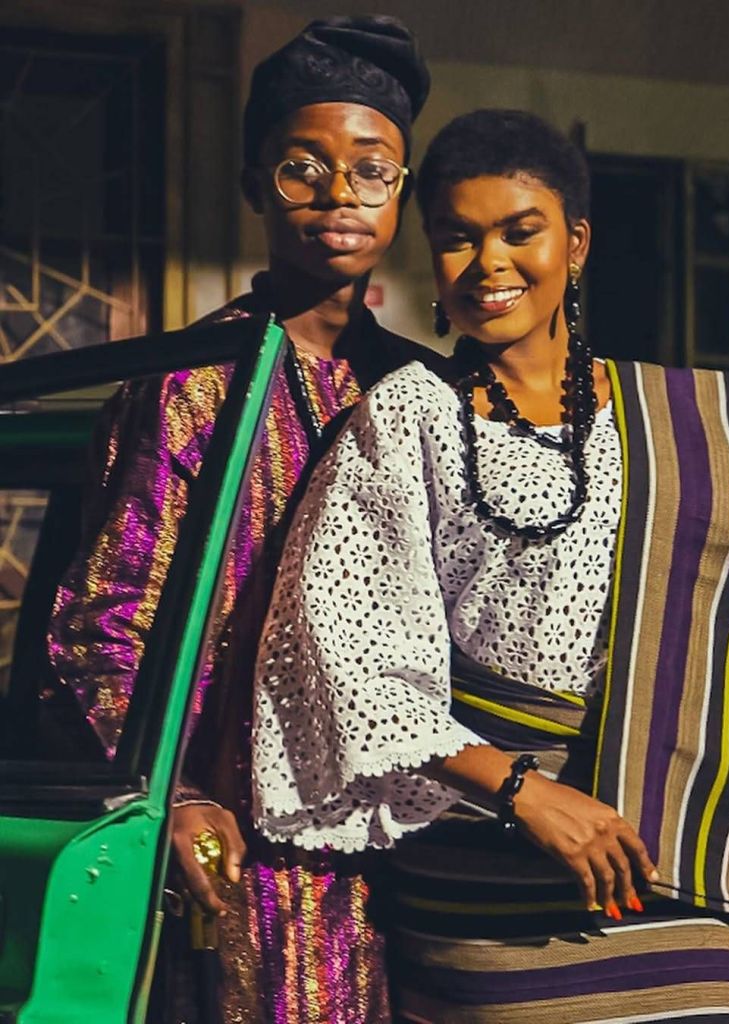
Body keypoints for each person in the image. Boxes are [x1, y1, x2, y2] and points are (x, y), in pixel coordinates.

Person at [252, 109, 729, 1022]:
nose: (490, 266)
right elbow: (347, 657)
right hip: (479, 868)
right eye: (457, 239)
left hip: (657, 853)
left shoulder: (695, 425)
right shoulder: (407, 418)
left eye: (521, 231)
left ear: (576, 241)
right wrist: (524, 793)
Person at [48, 16, 444, 1023]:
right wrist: (172, 795)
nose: (339, 195)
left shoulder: (431, 394)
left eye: (372, 169)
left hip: (421, 850)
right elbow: (103, 622)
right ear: (254, 183)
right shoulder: (189, 384)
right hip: (246, 852)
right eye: (303, 167)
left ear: (402, 192)